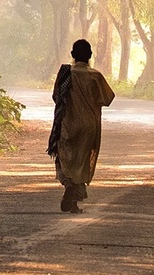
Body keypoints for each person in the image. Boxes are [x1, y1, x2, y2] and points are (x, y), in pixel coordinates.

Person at [47, 38, 115, 213]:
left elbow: (56, 97)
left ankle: (68, 184)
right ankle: (75, 203)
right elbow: (107, 98)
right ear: (90, 55)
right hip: (89, 125)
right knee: (82, 161)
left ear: (72, 55)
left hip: (68, 123)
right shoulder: (95, 76)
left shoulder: (66, 75)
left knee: (64, 156)